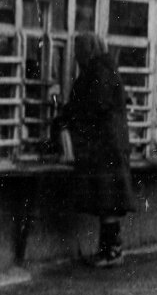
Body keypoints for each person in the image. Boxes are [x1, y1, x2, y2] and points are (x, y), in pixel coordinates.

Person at [54, 32, 137, 268]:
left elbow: (93, 107)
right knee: (107, 200)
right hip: (111, 144)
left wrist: (67, 114)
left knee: (107, 198)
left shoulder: (97, 73)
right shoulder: (107, 69)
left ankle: (112, 251)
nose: (77, 56)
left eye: (79, 50)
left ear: (87, 51)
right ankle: (109, 250)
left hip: (104, 147)